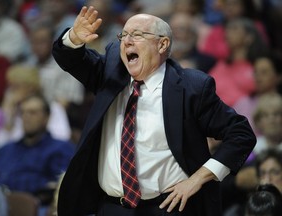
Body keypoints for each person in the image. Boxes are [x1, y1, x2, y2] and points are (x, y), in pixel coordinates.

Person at [52, 5, 256, 216]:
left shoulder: (191, 87)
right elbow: (71, 59)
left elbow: (240, 134)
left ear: (162, 44)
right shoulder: (111, 73)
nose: (127, 41)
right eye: (124, 35)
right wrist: (74, 38)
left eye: (137, 35)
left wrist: (199, 178)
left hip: (167, 207)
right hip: (112, 207)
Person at [0, 94, 75, 212]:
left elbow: (60, 187)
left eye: (33, 112)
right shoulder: (5, 149)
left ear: (46, 117)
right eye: (23, 112)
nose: (26, 117)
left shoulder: (60, 149)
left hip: (38, 206)